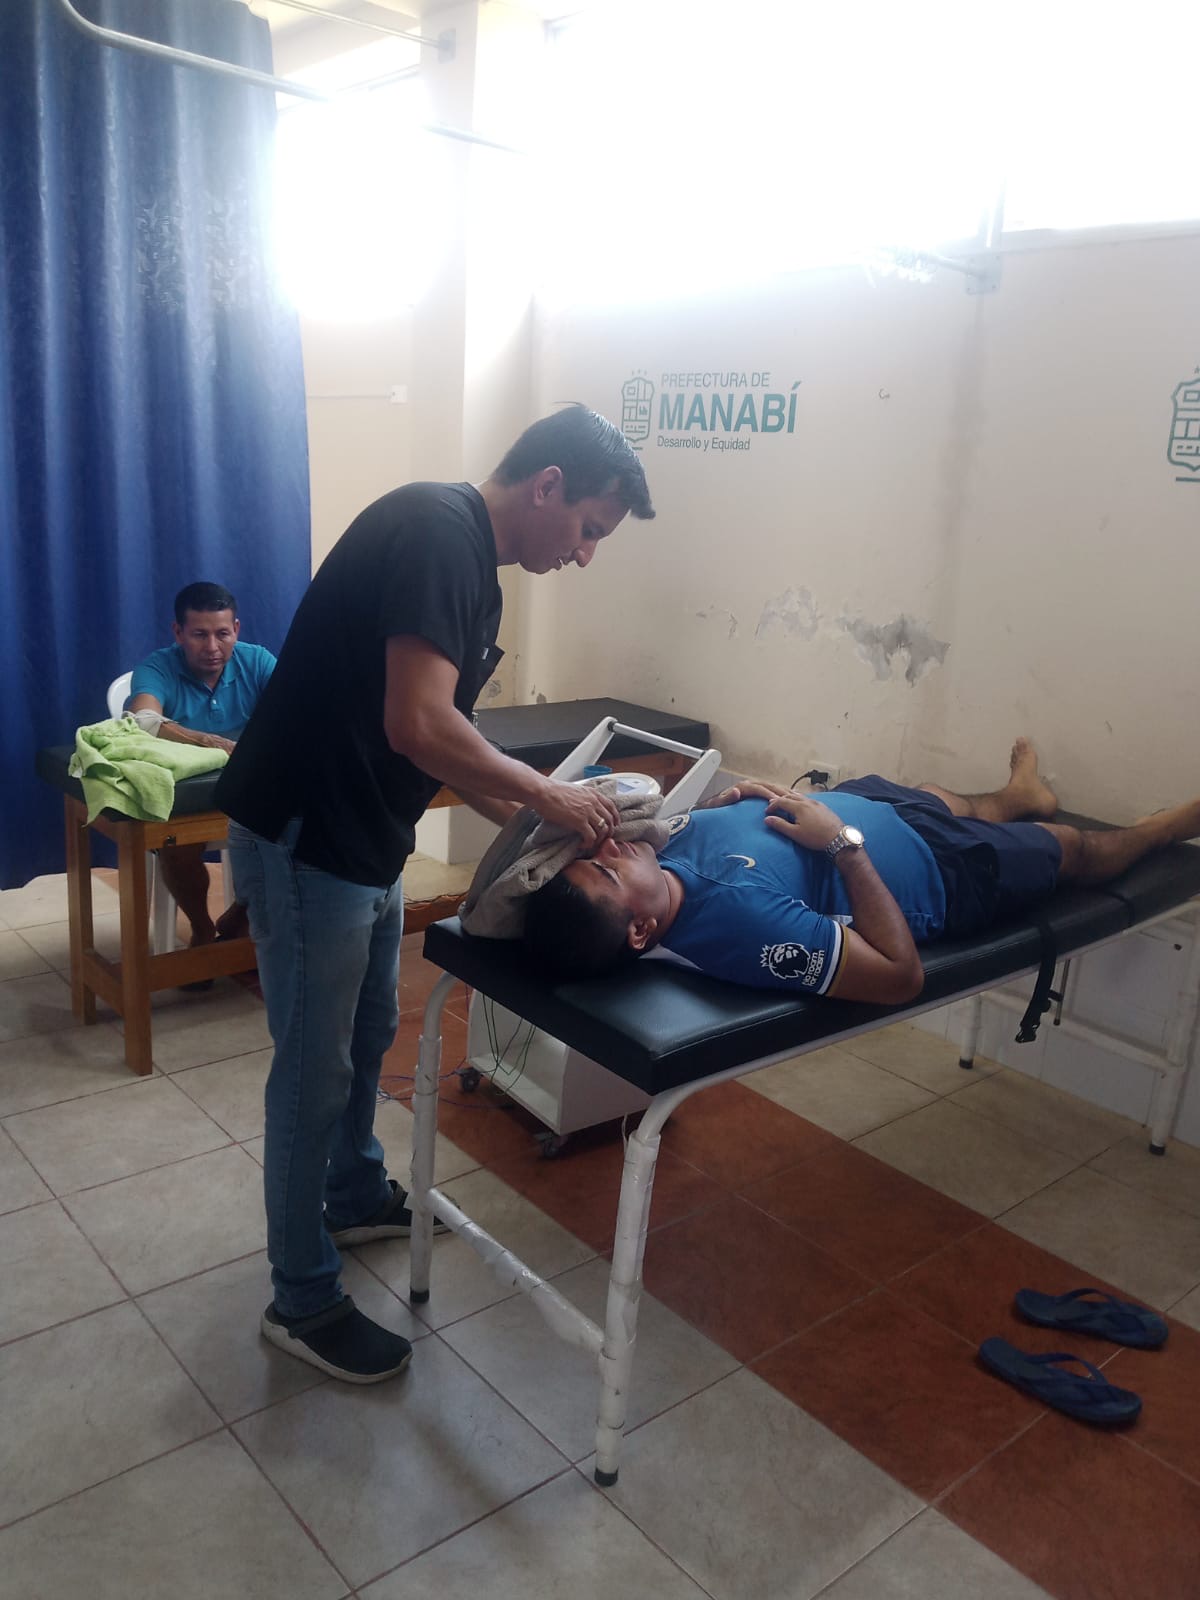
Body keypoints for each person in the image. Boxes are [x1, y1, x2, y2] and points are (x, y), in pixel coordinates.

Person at [216, 405, 654, 1384]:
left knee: (370, 1032)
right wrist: (549, 795)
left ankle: (350, 1192)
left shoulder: (470, 566)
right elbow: (417, 723)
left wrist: (545, 826)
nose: (585, 555)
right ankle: (302, 1299)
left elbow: (447, 743)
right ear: (547, 485)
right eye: (588, 528)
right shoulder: (435, 534)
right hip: (307, 839)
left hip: (365, 842)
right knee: (315, 1070)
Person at [522, 738, 1200, 1003]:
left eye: (594, 859)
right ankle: (1166, 827)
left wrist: (738, 803)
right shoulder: (741, 927)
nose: (608, 852)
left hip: (874, 808)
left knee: (948, 798)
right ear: (640, 931)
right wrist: (842, 844)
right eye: (608, 874)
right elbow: (900, 978)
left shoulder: (656, 854)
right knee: (1075, 850)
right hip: (945, 873)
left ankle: (1020, 796)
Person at [127, 582, 276, 949]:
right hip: (186, 800)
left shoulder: (257, 661)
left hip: (250, 795)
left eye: (222, 634)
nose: (212, 647)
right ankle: (202, 927)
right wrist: (208, 741)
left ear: (236, 629)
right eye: (199, 635)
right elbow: (143, 721)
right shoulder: (157, 667)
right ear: (178, 632)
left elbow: (294, 712)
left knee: (300, 829)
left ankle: (241, 912)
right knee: (176, 845)